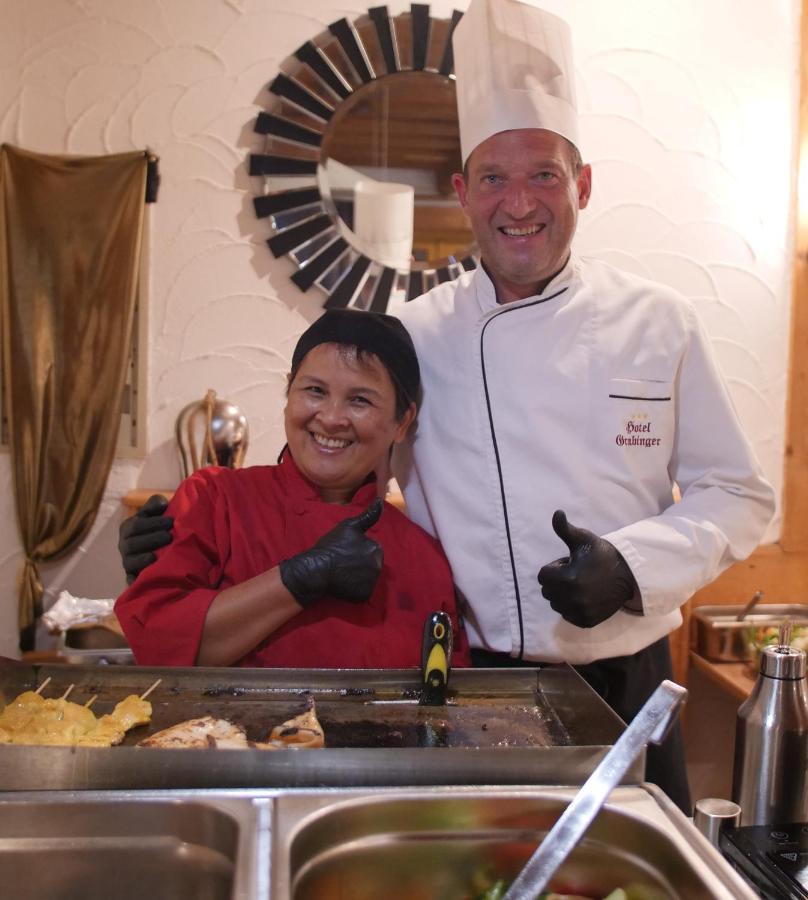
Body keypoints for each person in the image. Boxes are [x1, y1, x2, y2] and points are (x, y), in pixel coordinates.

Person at [389, 0, 775, 813]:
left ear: (584, 185)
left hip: (625, 682)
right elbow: (339, 474)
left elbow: (738, 493)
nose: (518, 202)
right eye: (494, 176)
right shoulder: (416, 334)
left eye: (544, 175)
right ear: (462, 191)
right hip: (466, 679)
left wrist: (635, 565)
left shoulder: (660, 320)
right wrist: (202, 536)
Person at [115, 309, 469, 669]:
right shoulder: (214, 500)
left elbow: (444, 703)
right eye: (315, 391)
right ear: (289, 393)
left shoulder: (425, 560)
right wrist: (301, 577)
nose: (331, 418)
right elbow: (157, 649)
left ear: (401, 422)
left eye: (360, 400)